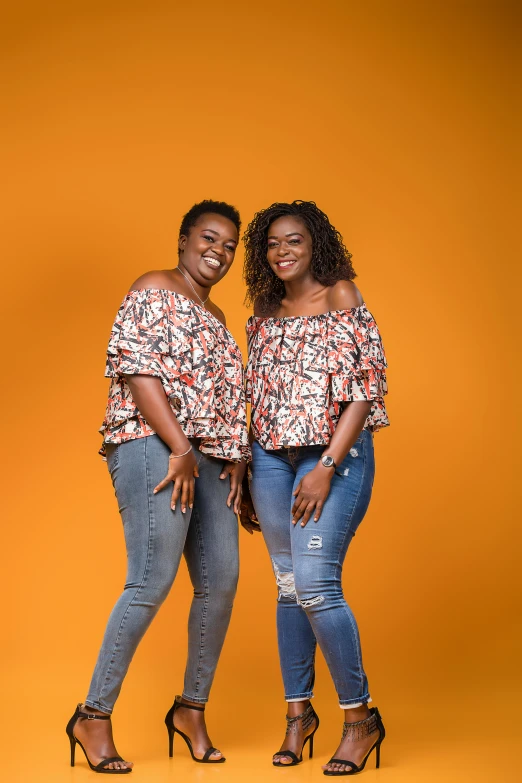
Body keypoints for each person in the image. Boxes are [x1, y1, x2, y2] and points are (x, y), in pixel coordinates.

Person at [66, 200, 250, 774]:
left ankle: (190, 709)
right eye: (208, 239)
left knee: (220, 582)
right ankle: (93, 714)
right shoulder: (153, 286)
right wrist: (180, 448)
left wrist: (237, 461)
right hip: (156, 445)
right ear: (183, 239)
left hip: (212, 459)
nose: (217, 252)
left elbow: (225, 399)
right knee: (151, 578)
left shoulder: (217, 318)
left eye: (229, 246)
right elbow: (137, 370)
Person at [241, 200, 388, 776]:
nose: (282, 252)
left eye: (294, 241)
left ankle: (360, 719)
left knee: (316, 585)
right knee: (286, 585)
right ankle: (298, 715)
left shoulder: (341, 295)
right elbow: (257, 395)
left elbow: (365, 390)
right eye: (273, 243)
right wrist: (246, 467)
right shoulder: (262, 307)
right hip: (270, 459)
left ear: (314, 244)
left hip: (334, 457)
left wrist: (326, 463)